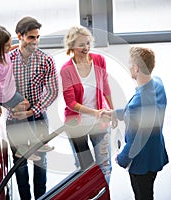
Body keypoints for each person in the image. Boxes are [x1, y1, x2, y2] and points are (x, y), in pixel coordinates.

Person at [101, 46, 169, 200]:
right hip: (155, 153)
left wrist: (122, 158)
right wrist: (114, 113)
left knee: (142, 196)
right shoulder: (158, 83)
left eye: (130, 64)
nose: (129, 66)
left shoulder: (137, 105)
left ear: (136, 68)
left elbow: (135, 142)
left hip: (141, 164)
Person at [7, 16, 59, 200]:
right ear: (19, 36)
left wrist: (32, 111)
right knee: (19, 164)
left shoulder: (46, 61)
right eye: (31, 37)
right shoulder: (8, 60)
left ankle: (40, 198)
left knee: (40, 162)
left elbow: (53, 92)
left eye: (37, 37)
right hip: (14, 120)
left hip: (38, 118)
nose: (35, 42)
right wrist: (13, 108)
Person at [60, 26, 116, 184]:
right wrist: (94, 112)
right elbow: (70, 103)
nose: (86, 48)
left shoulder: (99, 60)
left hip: (100, 122)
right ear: (71, 47)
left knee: (105, 165)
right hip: (77, 126)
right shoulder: (66, 70)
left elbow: (105, 86)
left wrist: (111, 111)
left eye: (87, 43)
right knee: (84, 169)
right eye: (81, 45)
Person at [0, 25, 50, 162]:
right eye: (7, 46)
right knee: (22, 113)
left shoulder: (4, 54)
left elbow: (15, 47)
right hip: (4, 97)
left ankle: (30, 145)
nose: (10, 48)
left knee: (25, 108)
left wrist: (22, 44)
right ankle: (25, 147)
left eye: (10, 45)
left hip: (11, 92)